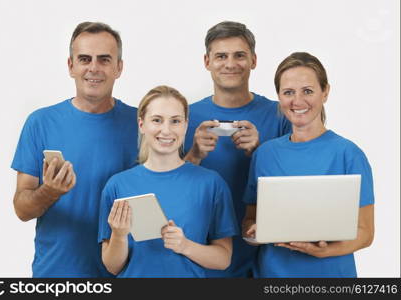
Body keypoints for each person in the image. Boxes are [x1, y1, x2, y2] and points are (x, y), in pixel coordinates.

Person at [11, 22, 138, 277]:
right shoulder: (40, 123)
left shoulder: (142, 125)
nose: (94, 68)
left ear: (119, 68)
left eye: (104, 60)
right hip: (57, 275)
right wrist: (49, 192)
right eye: (84, 59)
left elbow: (165, 189)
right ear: (71, 66)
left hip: (124, 273)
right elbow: (22, 210)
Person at [242, 52, 375, 277]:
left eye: (308, 91)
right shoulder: (264, 154)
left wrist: (324, 252)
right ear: (279, 97)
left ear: (325, 92)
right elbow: (250, 219)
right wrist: (253, 234)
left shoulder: (348, 154)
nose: (298, 101)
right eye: (288, 92)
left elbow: (365, 233)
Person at [184, 21, 291, 277]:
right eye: (221, 56)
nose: (230, 64)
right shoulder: (183, 116)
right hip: (201, 253)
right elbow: (166, 186)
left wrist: (260, 153)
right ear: (207, 61)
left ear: (253, 60)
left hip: (268, 255)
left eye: (239, 55)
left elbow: (296, 188)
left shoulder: (280, 115)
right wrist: (194, 155)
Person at [98, 85, 238, 277]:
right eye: (157, 120)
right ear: (141, 125)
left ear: (186, 125)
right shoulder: (117, 186)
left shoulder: (211, 184)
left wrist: (185, 245)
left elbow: (223, 259)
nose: (166, 130)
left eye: (175, 121)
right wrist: (119, 235)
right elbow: (112, 266)